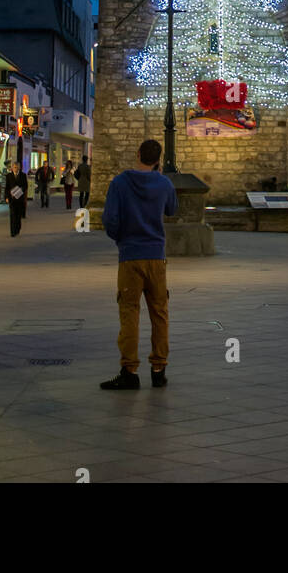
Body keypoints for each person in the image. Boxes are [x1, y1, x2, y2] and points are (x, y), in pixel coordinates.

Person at [100, 139, 178, 391]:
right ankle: (159, 368)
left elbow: (110, 219)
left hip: (130, 256)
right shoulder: (164, 183)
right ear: (158, 160)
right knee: (160, 312)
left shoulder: (120, 183)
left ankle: (129, 370)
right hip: (156, 256)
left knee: (129, 312)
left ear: (137, 154)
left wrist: (121, 238)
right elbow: (172, 210)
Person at [4, 159, 28, 236]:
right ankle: (12, 232)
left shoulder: (23, 175)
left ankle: (18, 228)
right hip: (11, 198)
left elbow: (25, 186)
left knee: (18, 215)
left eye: (17, 167)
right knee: (12, 215)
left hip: (20, 198)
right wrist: (6, 197)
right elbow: (7, 187)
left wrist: (20, 190)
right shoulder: (8, 176)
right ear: (12, 168)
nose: (15, 168)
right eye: (14, 167)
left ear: (19, 168)